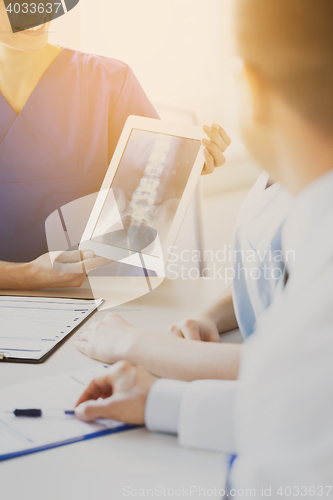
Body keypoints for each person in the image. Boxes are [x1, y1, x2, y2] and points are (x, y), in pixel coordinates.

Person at [74, 0, 333, 494]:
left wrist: (142, 345)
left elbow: (293, 389)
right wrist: (161, 401)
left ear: (250, 90)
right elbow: (309, 399)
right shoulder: (303, 198)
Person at [0, 1, 227, 290]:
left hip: (104, 295)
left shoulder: (109, 82)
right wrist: (26, 275)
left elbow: (152, 195)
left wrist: (186, 165)